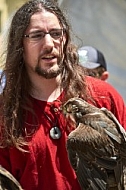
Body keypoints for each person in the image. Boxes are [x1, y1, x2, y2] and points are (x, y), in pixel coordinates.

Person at [0, 0, 125, 190]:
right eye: (37, 35)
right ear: (20, 45)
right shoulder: (5, 115)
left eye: (56, 33)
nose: (49, 44)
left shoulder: (103, 97)